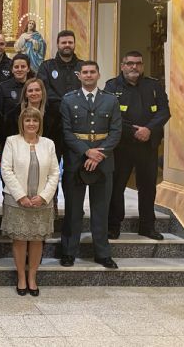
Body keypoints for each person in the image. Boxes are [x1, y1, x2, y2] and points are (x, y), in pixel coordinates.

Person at [60, 61, 121, 269]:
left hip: (103, 162)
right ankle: (68, 251)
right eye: (84, 72)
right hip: (76, 161)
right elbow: (66, 132)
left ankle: (102, 253)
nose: (88, 75)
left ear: (98, 74)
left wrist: (98, 155)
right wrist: (87, 151)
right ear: (79, 76)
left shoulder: (110, 100)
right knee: (73, 210)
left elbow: (115, 132)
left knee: (101, 210)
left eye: (92, 72)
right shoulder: (68, 100)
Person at [105, 51, 170, 240]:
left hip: (147, 146)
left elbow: (164, 111)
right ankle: (113, 225)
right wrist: (133, 131)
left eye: (138, 63)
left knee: (148, 187)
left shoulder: (153, 85)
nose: (135, 67)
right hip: (122, 147)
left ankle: (147, 227)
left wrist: (148, 129)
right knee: (117, 187)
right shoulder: (112, 86)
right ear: (122, 66)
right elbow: (112, 115)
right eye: (130, 63)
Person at [0, 107, 59, 296]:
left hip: (41, 200)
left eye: (35, 120)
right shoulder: (12, 142)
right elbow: (6, 170)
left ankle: (32, 277)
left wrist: (44, 196)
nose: (31, 123)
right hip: (17, 200)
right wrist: (21, 196)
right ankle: (21, 277)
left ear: (40, 124)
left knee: (36, 240)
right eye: (28, 120)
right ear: (22, 123)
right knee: (19, 239)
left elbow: (55, 172)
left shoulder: (48, 144)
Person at [37, 30, 84, 161]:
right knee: (50, 165)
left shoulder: (83, 66)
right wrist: (65, 105)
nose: (67, 45)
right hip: (52, 123)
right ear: (58, 44)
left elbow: (87, 90)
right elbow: (44, 90)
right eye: (64, 42)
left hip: (77, 124)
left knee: (74, 167)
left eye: (70, 42)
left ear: (74, 44)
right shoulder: (46, 66)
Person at [0, 54, 32, 151]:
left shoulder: (34, 87)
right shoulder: (3, 87)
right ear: (12, 69)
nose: (19, 69)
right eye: (16, 67)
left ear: (28, 69)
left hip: (31, 134)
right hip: (10, 135)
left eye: (23, 66)